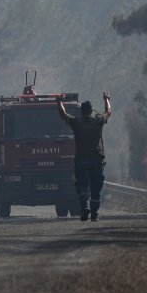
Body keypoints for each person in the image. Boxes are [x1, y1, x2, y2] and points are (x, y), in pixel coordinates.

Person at [58, 93, 112, 221]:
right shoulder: (98, 120)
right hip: (97, 159)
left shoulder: (76, 122)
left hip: (81, 160)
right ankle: (94, 215)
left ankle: (85, 207)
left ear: (81, 112)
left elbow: (63, 114)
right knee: (96, 188)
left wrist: (59, 102)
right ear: (91, 111)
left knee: (82, 186)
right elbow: (108, 112)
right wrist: (107, 99)